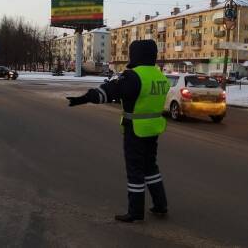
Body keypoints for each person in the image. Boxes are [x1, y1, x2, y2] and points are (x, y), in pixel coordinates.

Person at [66, 40, 170, 223]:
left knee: (135, 171)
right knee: (151, 167)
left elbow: (109, 91)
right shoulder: (160, 76)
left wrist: (83, 99)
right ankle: (160, 205)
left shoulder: (133, 76)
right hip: (153, 129)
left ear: (135, 54)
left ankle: (135, 212)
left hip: (135, 130)